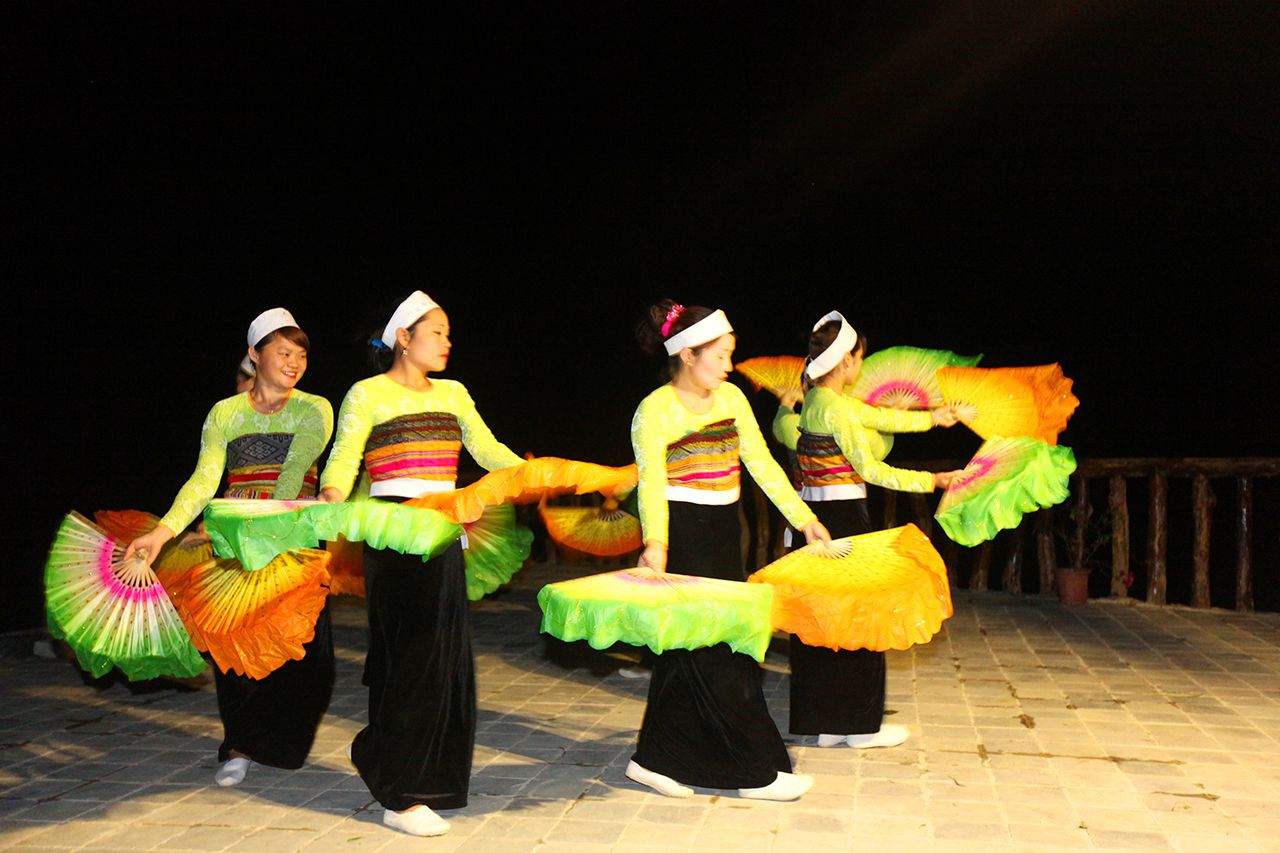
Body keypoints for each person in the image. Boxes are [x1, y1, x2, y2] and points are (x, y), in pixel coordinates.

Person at [318, 290, 523, 837]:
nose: (447, 342)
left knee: (443, 658)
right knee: (407, 657)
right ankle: (400, 793)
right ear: (403, 338)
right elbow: (344, 455)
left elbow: (487, 449)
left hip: (444, 530)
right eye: (437, 332)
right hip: (392, 530)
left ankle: (422, 772)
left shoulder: (454, 393)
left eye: (448, 333)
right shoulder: (368, 393)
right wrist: (333, 494)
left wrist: (539, 471)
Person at [625, 300, 831, 802]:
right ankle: (751, 768)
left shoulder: (732, 399)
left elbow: (760, 462)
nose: (730, 365)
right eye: (720, 355)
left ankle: (653, 759)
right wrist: (656, 544)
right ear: (689, 354)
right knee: (721, 654)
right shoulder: (654, 409)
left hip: (724, 530)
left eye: (730, 354)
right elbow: (652, 484)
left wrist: (804, 519)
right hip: (684, 537)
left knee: (689, 653)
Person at [125, 308, 335, 786]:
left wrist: (261, 514)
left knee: (310, 659)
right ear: (254, 355)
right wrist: (163, 533)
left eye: (301, 354)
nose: (294, 362)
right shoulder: (225, 413)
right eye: (283, 352)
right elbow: (204, 480)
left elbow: (293, 472)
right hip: (236, 543)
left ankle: (280, 743)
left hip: (295, 538)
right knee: (235, 650)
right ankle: (239, 744)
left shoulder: (314, 407)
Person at [783, 311, 962, 748]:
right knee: (861, 617)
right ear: (846, 361)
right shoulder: (837, 410)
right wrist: (932, 481)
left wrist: (933, 417)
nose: (861, 365)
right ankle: (860, 727)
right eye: (859, 357)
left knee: (823, 620)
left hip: (816, 516)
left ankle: (825, 723)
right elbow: (871, 469)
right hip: (845, 521)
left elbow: (877, 417)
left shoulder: (817, 402)